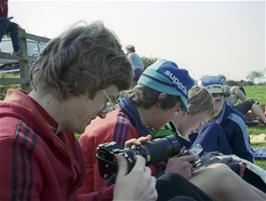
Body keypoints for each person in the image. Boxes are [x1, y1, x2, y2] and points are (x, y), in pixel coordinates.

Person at [0, 21, 158, 201]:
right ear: (82, 83)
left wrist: (120, 189)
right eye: (106, 100)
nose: (103, 113)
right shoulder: (11, 146)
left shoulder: (58, 131)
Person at [79, 60, 266, 201]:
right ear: (162, 99)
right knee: (219, 177)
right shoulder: (118, 128)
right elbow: (117, 193)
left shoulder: (126, 120)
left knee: (220, 171)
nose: (174, 116)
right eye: (176, 109)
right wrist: (167, 174)